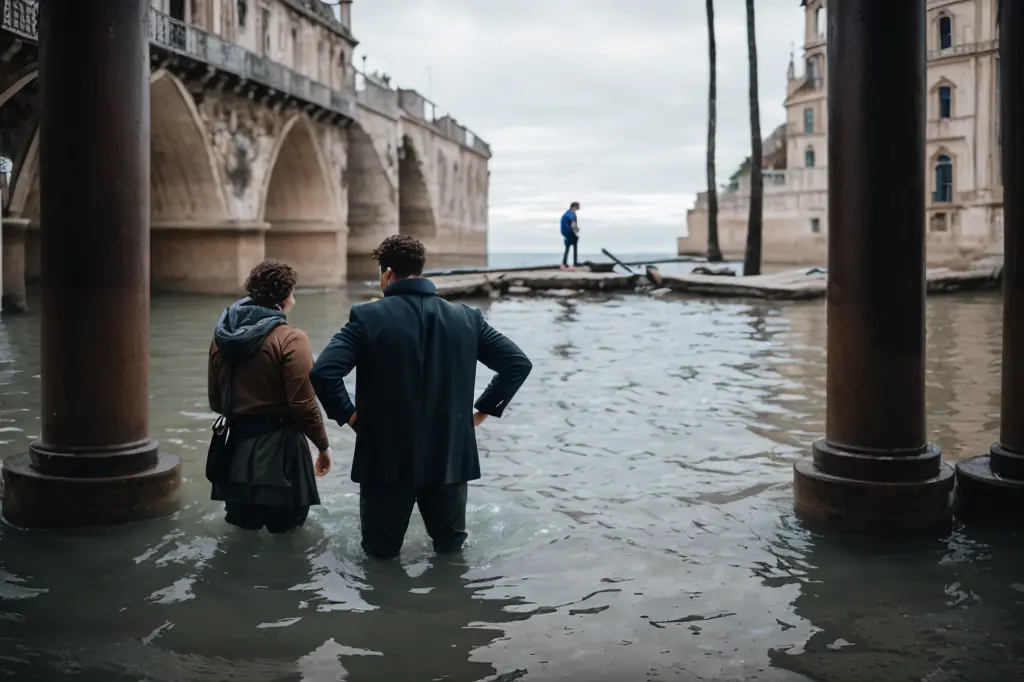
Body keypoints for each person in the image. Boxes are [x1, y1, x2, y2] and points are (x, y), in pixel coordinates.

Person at [310, 235, 533, 559]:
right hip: (449, 456)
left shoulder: (366, 317)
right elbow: (517, 364)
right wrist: (480, 413)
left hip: (384, 458)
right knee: (450, 552)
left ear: (387, 273)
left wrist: (353, 417)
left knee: (379, 555)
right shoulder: (467, 317)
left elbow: (323, 372)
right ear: (420, 269)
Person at [208, 259, 332, 534]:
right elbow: (303, 405)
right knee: (287, 538)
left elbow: (217, 401)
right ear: (283, 300)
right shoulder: (291, 339)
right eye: (293, 294)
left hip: (233, 456)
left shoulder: (222, 337)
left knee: (241, 536)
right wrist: (323, 447)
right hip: (281, 457)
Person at [560, 201, 581, 269]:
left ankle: (564, 263)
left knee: (568, 246)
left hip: (565, 232)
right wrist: (577, 230)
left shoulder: (567, 213)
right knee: (574, 244)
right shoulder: (572, 213)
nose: (579, 207)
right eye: (578, 206)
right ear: (574, 207)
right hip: (569, 231)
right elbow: (573, 224)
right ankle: (575, 263)